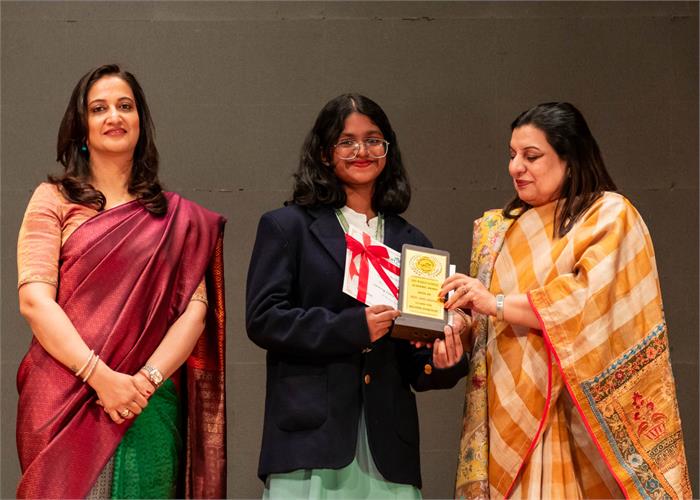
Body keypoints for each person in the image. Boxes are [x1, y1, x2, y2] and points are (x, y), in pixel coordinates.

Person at [443, 102, 691, 499]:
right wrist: (457, 327)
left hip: (576, 416)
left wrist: (496, 303)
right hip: (508, 411)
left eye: (531, 156)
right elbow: (485, 324)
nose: (516, 167)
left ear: (570, 159)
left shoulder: (607, 215)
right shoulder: (497, 231)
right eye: (512, 155)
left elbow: (585, 302)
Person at [15, 64, 226, 499]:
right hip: (66, 398)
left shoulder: (175, 218)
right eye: (99, 108)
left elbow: (195, 312)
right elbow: (35, 300)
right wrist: (101, 378)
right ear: (81, 127)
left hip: (146, 403)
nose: (114, 116)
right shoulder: (53, 200)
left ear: (140, 122)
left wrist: (142, 382)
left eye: (125, 106)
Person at [246, 93, 469, 498]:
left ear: (387, 150)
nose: (361, 151)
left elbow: (417, 361)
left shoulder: (413, 243)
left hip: (389, 447)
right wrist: (352, 327)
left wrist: (442, 361)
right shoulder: (287, 227)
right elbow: (264, 319)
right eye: (346, 141)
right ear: (324, 153)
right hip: (311, 439)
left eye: (373, 140)